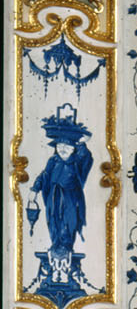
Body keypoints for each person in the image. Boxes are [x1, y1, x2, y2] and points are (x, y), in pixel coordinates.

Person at [28, 105, 92, 293]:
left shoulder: (77, 162)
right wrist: (34, 190)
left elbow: (85, 156)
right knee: (54, 225)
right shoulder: (53, 161)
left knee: (67, 226)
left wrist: (82, 144)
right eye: (59, 146)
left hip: (71, 201)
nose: (62, 149)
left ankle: (65, 251)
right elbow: (44, 176)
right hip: (53, 200)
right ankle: (56, 247)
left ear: (73, 148)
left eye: (67, 146)